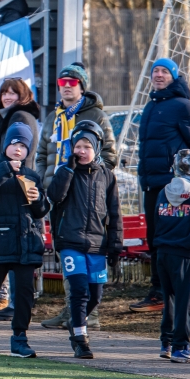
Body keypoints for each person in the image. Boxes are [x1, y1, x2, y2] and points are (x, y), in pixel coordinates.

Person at [36, 62, 117, 329]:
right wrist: (44, 181)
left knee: (83, 254)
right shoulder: (53, 116)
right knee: (66, 254)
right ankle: (73, 309)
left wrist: (87, 174)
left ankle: (85, 313)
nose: (67, 87)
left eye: (72, 82)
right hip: (57, 193)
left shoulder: (96, 115)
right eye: (62, 83)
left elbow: (109, 155)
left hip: (85, 195)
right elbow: (41, 154)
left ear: (82, 86)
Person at [131, 58, 190, 313]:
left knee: (176, 239)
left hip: (174, 186)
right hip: (152, 184)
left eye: (165, 71)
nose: (159, 75)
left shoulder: (183, 106)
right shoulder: (152, 105)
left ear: (174, 76)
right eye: (155, 71)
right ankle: (159, 293)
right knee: (155, 239)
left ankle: (185, 296)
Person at [0, 122, 49, 357]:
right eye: (14, 144)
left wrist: (37, 199)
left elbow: (40, 211)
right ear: (5, 147)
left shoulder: (32, 175)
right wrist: (6, 169)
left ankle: (19, 338)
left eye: (23, 146)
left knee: (24, 293)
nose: (18, 149)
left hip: (24, 243)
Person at [46, 121, 122, 359]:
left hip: (97, 246)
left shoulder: (107, 177)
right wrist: (67, 170)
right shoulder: (65, 172)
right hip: (70, 242)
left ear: (96, 149)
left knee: (94, 295)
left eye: (86, 146)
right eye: (77, 145)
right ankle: (80, 338)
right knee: (78, 290)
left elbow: (115, 214)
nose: (81, 150)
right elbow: (54, 196)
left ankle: (75, 322)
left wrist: (115, 246)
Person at [153, 149, 190, 364]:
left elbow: (156, 223)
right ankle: (181, 347)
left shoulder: (163, 193)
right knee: (184, 302)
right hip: (184, 254)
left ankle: (166, 343)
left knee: (168, 299)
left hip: (162, 252)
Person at [0, 78, 41, 170]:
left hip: (15, 175)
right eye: (4, 94)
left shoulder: (20, 116)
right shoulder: (16, 115)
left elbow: (17, 154)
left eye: (12, 93)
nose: (6, 98)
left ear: (22, 95)